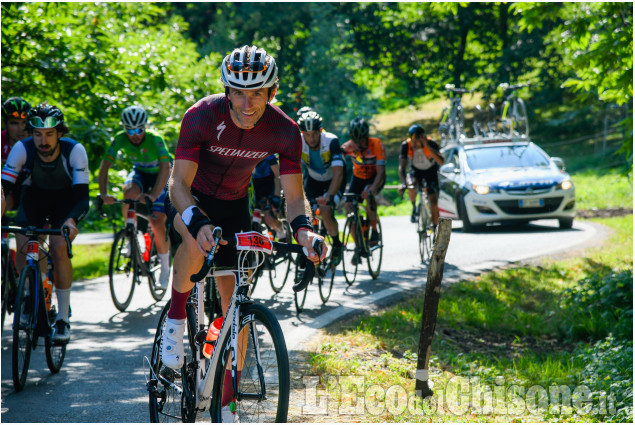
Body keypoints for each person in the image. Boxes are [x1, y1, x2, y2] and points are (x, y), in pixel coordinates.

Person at [162, 46, 325, 388]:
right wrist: (198, 220)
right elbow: (177, 184)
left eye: (256, 94)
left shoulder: (284, 130)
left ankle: (227, 387)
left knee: (235, 300)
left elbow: (295, 197)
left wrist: (305, 233)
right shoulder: (201, 115)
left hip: (235, 205)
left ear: (272, 93)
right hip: (190, 199)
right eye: (238, 93)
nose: (246, 104)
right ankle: (175, 326)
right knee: (195, 239)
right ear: (226, 90)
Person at [1, 103, 89, 343]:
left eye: (49, 134)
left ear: (60, 133)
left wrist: (71, 220)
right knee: (22, 241)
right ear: (31, 133)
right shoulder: (22, 148)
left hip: (64, 202)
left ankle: (62, 318)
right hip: (35, 199)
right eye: (38, 134)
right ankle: (31, 292)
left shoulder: (75, 150)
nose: (43, 141)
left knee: (59, 247)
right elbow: (4, 188)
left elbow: (82, 199)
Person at [98, 106, 172, 288]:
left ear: (145, 127)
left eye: (139, 130)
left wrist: (153, 195)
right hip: (140, 171)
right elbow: (105, 166)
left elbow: (165, 168)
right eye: (130, 130)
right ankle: (131, 233)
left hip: (163, 173)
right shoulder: (120, 139)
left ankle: (165, 268)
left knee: (156, 222)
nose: (134, 135)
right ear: (124, 129)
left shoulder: (155, 139)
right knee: (129, 194)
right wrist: (104, 193)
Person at [298, 110, 344, 265]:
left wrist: (329, 196)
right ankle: (306, 247)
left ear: (321, 131)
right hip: (313, 181)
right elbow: (294, 169)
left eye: (315, 134)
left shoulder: (331, 141)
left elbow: (338, 173)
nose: (311, 139)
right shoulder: (298, 141)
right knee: (304, 212)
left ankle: (337, 245)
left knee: (325, 210)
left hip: (334, 180)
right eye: (307, 134)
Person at [341, 117, 386, 264]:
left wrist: (372, 189)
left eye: (361, 140)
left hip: (375, 176)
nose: (358, 144)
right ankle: (359, 245)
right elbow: (334, 161)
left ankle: (374, 232)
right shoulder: (349, 146)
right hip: (358, 178)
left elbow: (380, 172)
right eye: (355, 140)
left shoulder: (376, 144)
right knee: (349, 207)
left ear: (367, 137)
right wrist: (343, 152)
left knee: (370, 197)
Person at [398, 124, 444, 225]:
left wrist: (427, 145)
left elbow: (441, 161)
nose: (413, 144)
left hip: (430, 172)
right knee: (410, 184)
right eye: (412, 140)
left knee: (433, 203)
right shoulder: (406, 145)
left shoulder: (431, 143)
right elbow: (402, 167)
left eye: (416, 141)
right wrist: (403, 183)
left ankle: (436, 228)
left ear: (422, 138)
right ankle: (414, 208)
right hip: (416, 171)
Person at [1, 97, 31, 211]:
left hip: (35, 187)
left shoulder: (38, 140)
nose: (21, 129)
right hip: (9, 187)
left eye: (25, 122)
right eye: (14, 123)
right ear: (5, 123)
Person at [251, 154, 287, 240]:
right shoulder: (248, 155)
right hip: (256, 189)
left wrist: (276, 197)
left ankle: (282, 232)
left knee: (269, 218)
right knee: (253, 221)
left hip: (271, 188)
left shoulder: (270, 156)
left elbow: (277, 177)